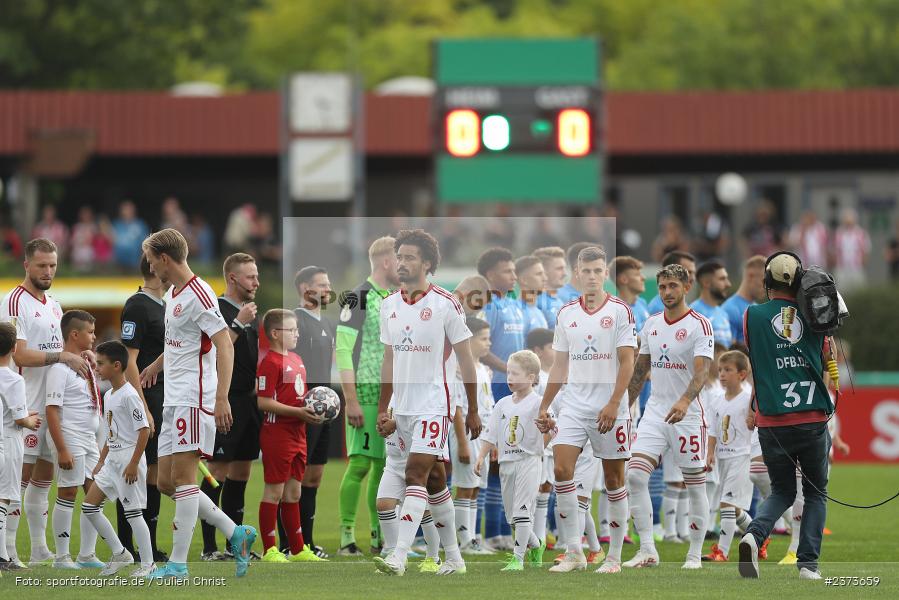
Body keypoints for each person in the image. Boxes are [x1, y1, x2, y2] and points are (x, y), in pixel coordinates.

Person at [138, 228, 256, 580]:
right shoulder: (173, 292)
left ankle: (177, 565)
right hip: (174, 398)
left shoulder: (200, 294)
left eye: (150, 259)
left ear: (164, 258)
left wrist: (221, 397)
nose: (148, 266)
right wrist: (157, 365)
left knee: (186, 481)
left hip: (194, 399)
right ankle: (236, 533)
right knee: (165, 482)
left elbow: (224, 343)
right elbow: (182, 341)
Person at [372, 229, 481, 576]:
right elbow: (388, 361)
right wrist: (382, 407)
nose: (401, 263)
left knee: (414, 473)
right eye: (398, 257)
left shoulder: (445, 304)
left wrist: (474, 408)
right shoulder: (388, 305)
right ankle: (454, 558)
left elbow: (466, 360)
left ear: (427, 263)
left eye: (409, 257)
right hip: (400, 409)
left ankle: (399, 556)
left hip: (434, 405)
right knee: (434, 480)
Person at [537, 245, 637, 574]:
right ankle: (574, 551)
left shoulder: (621, 311)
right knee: (562, 471)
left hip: (612, 408)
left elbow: (628, 362)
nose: (592, 276)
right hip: (575, 407)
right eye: (586, 271)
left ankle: (613, 558)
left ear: (606, 273)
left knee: (613, 480)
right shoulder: (566, 313)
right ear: (577, 274)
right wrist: (545, 405)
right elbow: (559, 366)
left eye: (598, 271)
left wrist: (613, 403)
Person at [738, 252, 835, 581]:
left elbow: (759, 359)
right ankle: (808, 564)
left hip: (772, 421)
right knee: (816, 492)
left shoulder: (751, 316)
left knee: (781, 491)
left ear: (767, 282)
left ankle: (754, 535)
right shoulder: (816, 315)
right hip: (811, 416)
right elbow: (825, 354)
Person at [1, 238, 90, 567]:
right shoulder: (13, 301)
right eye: (41, 265)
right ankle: (7, 551)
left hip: (51, 407)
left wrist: (80, 356)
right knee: (15, 482)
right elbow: (19, 353)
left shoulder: (54, 304)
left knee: (42, 482)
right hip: (21, 408)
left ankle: (38, 549)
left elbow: (66, 348)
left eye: (52, 265)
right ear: (26, 265)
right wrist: (62, 356)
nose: (48, 271)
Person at [623, 263, 714, 570]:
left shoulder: (700, 325)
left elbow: (703, 370)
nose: (666, 292)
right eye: (662, 287)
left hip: (687, 416)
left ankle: (694, 555)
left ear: (686, 287)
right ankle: (648, 549)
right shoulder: (650, 324)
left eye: (673, 286)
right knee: (635, 475)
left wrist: (686, 401)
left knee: (693, 484)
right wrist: (625, 406)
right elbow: (640, 369)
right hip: (655, 413)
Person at [336, 237, 399, 556]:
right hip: (366, 392)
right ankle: (347, 535)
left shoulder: (398, 297)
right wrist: (352, 399)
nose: (404, 266)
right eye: (399, 260)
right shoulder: (357, 297)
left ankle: (380, 535)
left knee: (384, 467)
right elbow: (344, 350)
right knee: (361, 463)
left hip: (393, 394)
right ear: (387, 262)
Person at [256, 309, 326, 563]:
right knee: (274, 491)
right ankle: (270, 549)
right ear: (275, 334)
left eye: (297, 329)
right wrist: (298, 412)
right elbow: (263, 402)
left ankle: (297, 549)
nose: (297, 334)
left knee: (294, 493)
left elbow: (301, 397)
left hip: (299, 434)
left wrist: (315, 410)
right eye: (291, 330)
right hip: (277, 434)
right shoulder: (269, 362)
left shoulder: (296, 359)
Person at [202, 253, 260, 561]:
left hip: (249, 403)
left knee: (242, 472)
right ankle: (209, 548)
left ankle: (235, 545)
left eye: (257, 276)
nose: (256, 282)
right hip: (225, 399)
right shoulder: (217, 310)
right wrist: (238, 323)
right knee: (217, 471)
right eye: (250, 276)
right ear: (233, 278)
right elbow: (213, 351)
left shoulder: (250, 313)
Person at [81, 340, 155, 577]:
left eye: (100, 364)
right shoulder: (110, 394)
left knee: (133, 514)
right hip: (112, 460)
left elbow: (144, 430)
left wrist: (133, 463)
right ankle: (120, 553)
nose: (97, 368)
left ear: (116, 365)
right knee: (89, 507)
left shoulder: (129, 395)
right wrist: (101, 461)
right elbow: (110, 430)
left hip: (127, 460)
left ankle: (148, 564)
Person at [475, 350, 548, 571]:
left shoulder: (539, 403)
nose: (509, 378)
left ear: (531, 378)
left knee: (522, 512)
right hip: (506, 463)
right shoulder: (502, 404)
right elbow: (490, 433)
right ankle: (536, 546)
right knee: (513, 518)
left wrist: (544, 441)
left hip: (528, 460)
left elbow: (551, 427)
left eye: (515, 374)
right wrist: (481, 456)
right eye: (508, 373)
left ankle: (518, 559)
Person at [44, 310, 104, 569]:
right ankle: (62, 556)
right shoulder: (59, 369)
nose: (93, 337)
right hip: (69, 437)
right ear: (74, 334)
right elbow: (51, 411)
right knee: (68, 491)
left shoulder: (86, 363)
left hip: (88, 438)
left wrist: (94, 359)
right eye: (90, 332)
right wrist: (62, 449)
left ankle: (87, 555)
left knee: (95, 493)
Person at [117, 253, 166, 562]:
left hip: (165, 398)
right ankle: (125, 546)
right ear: (155, 266)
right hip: (145, 400)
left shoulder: (169, 303)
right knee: (134, 473)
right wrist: (143, 406)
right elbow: (129, 361)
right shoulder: (138, 305)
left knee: (155, 476)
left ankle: (148, 546)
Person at [292, 266, 336, 557]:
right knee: (295, 478)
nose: (327, 289)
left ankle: (307, 541)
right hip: (303, 409)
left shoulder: (328, 322)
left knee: (315, 476)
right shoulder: (295, 320)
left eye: (328, 283)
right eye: (321, 284)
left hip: (326, 408)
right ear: (304, 289)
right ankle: (290, 543)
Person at [703, 350, 754, 562]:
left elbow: (755, 426)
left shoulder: (748, 398)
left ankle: (721, 552)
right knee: (734, 508)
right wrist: (710, 452)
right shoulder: (716, 400)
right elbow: (713, 429)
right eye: (721, 370)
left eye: (728, 370)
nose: (722, 374)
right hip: (723, 457)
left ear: (742, 374)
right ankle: (759, 535)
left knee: (725, 503)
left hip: (742, 456)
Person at [450, 317, 493, 555]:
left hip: (482, 436)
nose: (488, 343)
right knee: (465, 486)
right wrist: (462, 444)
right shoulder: (460, 369)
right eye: (483, 339)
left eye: (489, 338)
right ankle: (464, 539)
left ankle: (473, 537)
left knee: (476, 487)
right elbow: (457, 407)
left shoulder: (481, 369)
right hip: (466, 435)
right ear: (469, 340)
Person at [0, 322, 41, 570]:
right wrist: (31, 420)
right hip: (6, 441)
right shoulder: (13, 379)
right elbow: (18, 418)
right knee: (4, 499)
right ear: (14, 348)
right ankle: (2, 557)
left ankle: (4, 554)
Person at [479, 247, 524, 402]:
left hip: (516, 382)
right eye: (507, 272)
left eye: (514, 271)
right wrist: (510, 370)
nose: (514, 277)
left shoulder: (514, 304)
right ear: (490, 275)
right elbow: (478, 348)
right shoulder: (487, 304)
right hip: (496, 383)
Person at [527, 327, 555, 547]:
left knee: (547, 486)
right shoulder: (537, 378)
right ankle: (529, 535)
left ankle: (541, 534)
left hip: (553, 439)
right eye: (551, 347)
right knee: (534, 486)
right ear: (538, 350)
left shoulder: (556, 375)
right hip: (539, 440)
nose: (555, 350)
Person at [722, 256, 766, 345]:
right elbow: (728, 352)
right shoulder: (730, 310)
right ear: (751, 276)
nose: (766, 287)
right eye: (764, 282)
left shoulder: (757, 308)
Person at [690, 261, 734, 349]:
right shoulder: (693, 313)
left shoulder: (723, 313)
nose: (728, 284)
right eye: (722, 279)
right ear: (706, 283)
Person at [832, 208, 871, 293]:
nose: (848, 222)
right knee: (842, 290)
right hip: (841, 267)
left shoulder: (861, 233)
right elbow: (834, 250)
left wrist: (863, 263)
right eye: (846, 220)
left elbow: (866, 250)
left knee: (858, 289)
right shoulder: (839, 233)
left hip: (856, 267)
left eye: (850, 220)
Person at [533, 246, 568, 329]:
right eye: (559, 269)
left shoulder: (558, 300)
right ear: (543, 271)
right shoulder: (535, 302)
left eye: (564, 268)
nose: (565, 273)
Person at [515, 255, 549, 337]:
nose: (545, 278)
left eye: (544, 273)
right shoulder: (517, 312)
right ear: (524, 280)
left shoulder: (538, 311)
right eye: (539, 274)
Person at [112, 200, 149, 270]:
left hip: (135, 262)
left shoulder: (140, 224)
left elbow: (146, 243)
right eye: (125, 209)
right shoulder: (116, 225)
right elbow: (112, 241)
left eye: (129, 209)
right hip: (118, 262)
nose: (127, 211)